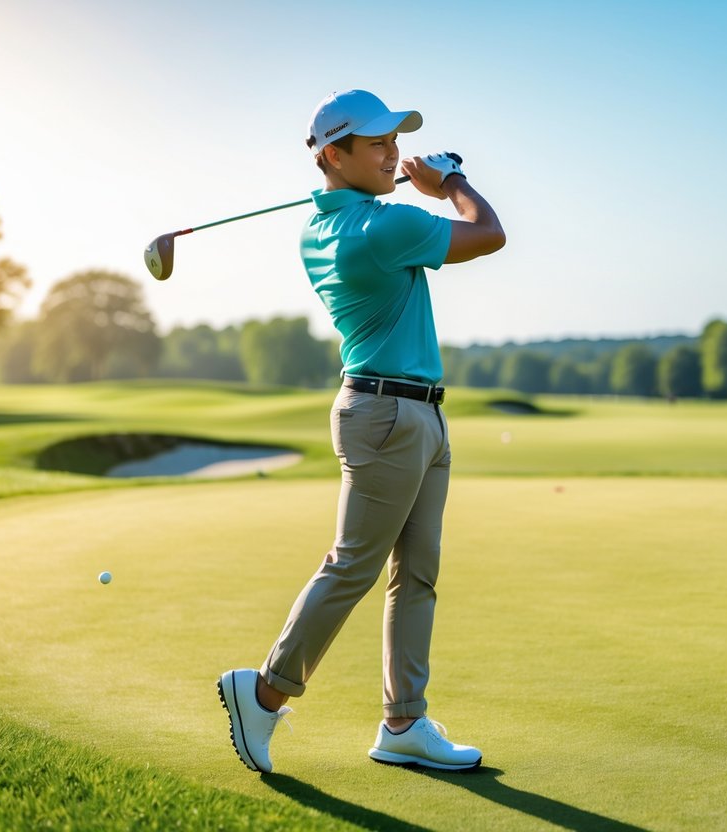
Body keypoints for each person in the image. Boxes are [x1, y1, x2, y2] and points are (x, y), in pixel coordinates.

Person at [217, 89, 505, 774]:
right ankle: (262, 692)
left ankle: (403, 721)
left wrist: (392, 183)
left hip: (412, 411)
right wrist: (451, 182)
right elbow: (489, 233)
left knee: (417, 574)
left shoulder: (321, 228)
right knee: (354, 565)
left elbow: (376, 210)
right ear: (331, 155)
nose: (392, 152)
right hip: (391, 414)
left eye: (394, 142)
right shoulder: (380, 229)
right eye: (375, 144)